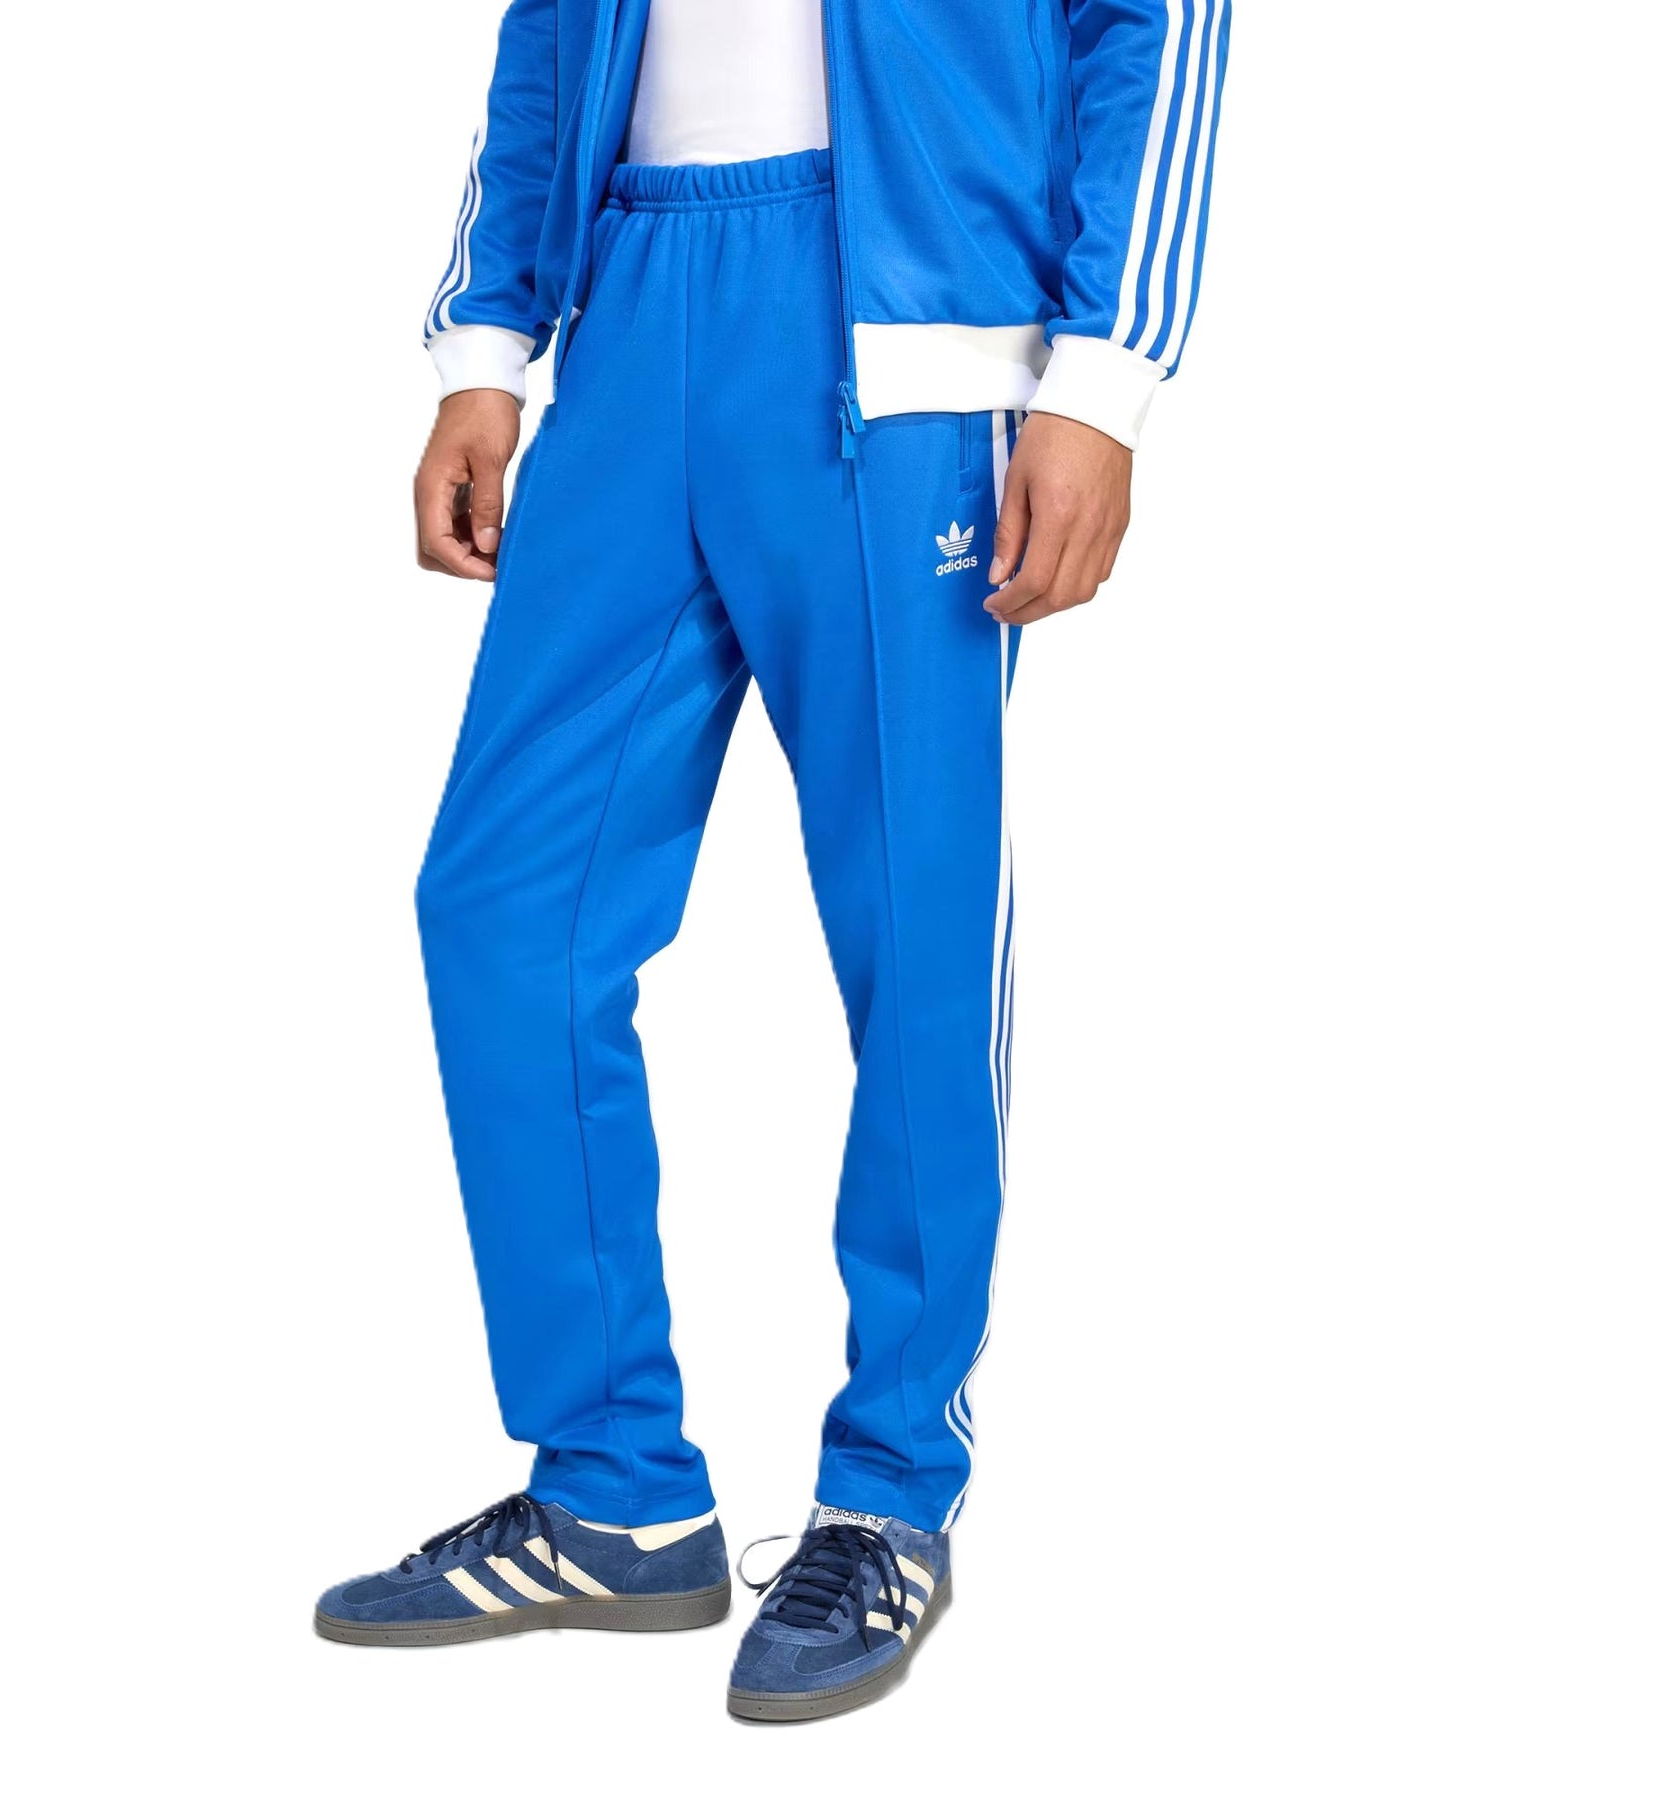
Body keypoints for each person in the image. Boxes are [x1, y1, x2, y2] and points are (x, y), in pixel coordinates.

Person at [316, 0, 1229, 1721]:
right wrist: (486, 341)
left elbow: (1160, 24)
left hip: (912, 335)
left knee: (915, 932)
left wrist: (1105, 377)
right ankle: (613, 1488)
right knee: (502, 907)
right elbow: (549, 29)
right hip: (632, 300)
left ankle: (890, 1491)